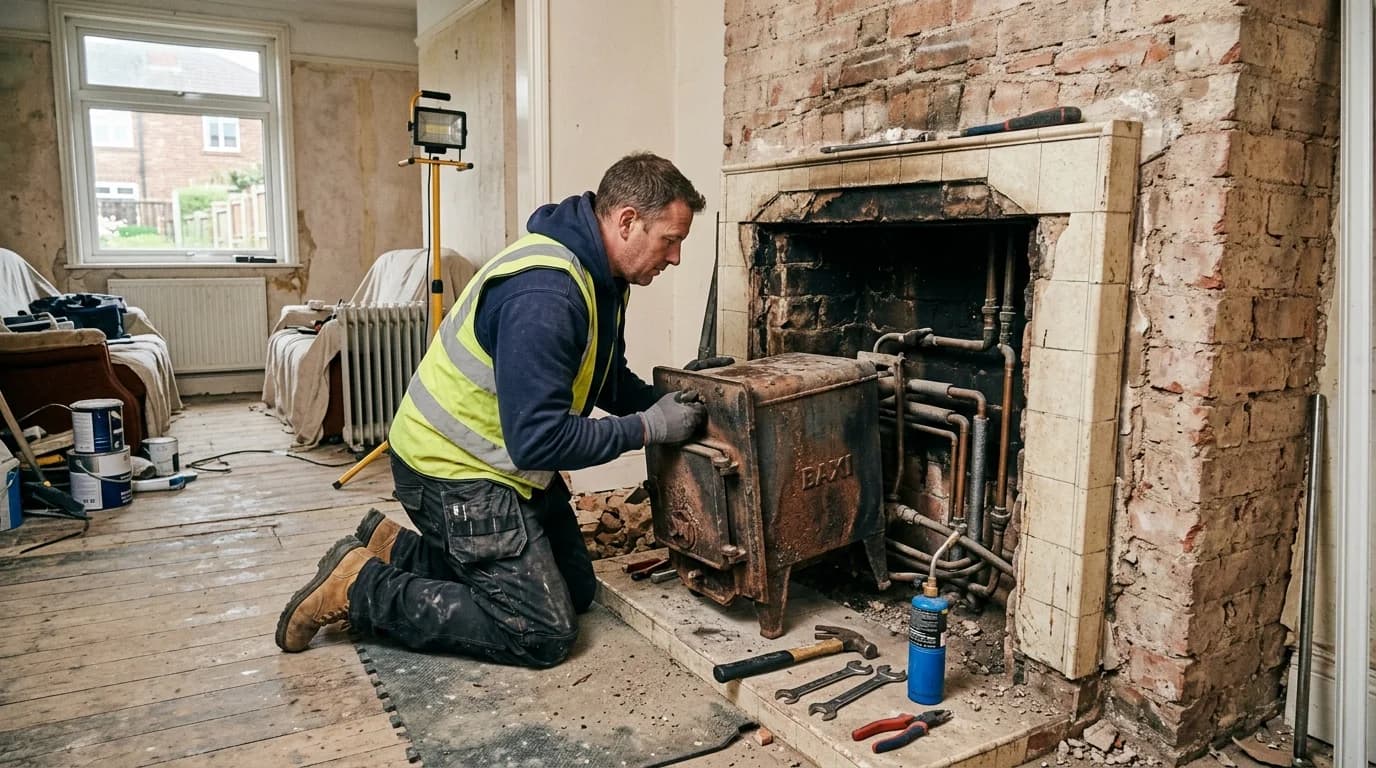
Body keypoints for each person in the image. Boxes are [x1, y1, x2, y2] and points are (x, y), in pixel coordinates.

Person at [276, 152, 719, 668]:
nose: (676, 257)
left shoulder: (602, 278)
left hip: (502, 466)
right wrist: (648, 428)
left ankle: (392, 547)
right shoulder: (547, 292)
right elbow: (539, 440)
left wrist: (673, 401)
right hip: (451, 469)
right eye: (671, 239)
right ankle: (359, 588)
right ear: (627, 222)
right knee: (541, 632)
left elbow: (604, 379)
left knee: (576, 591)